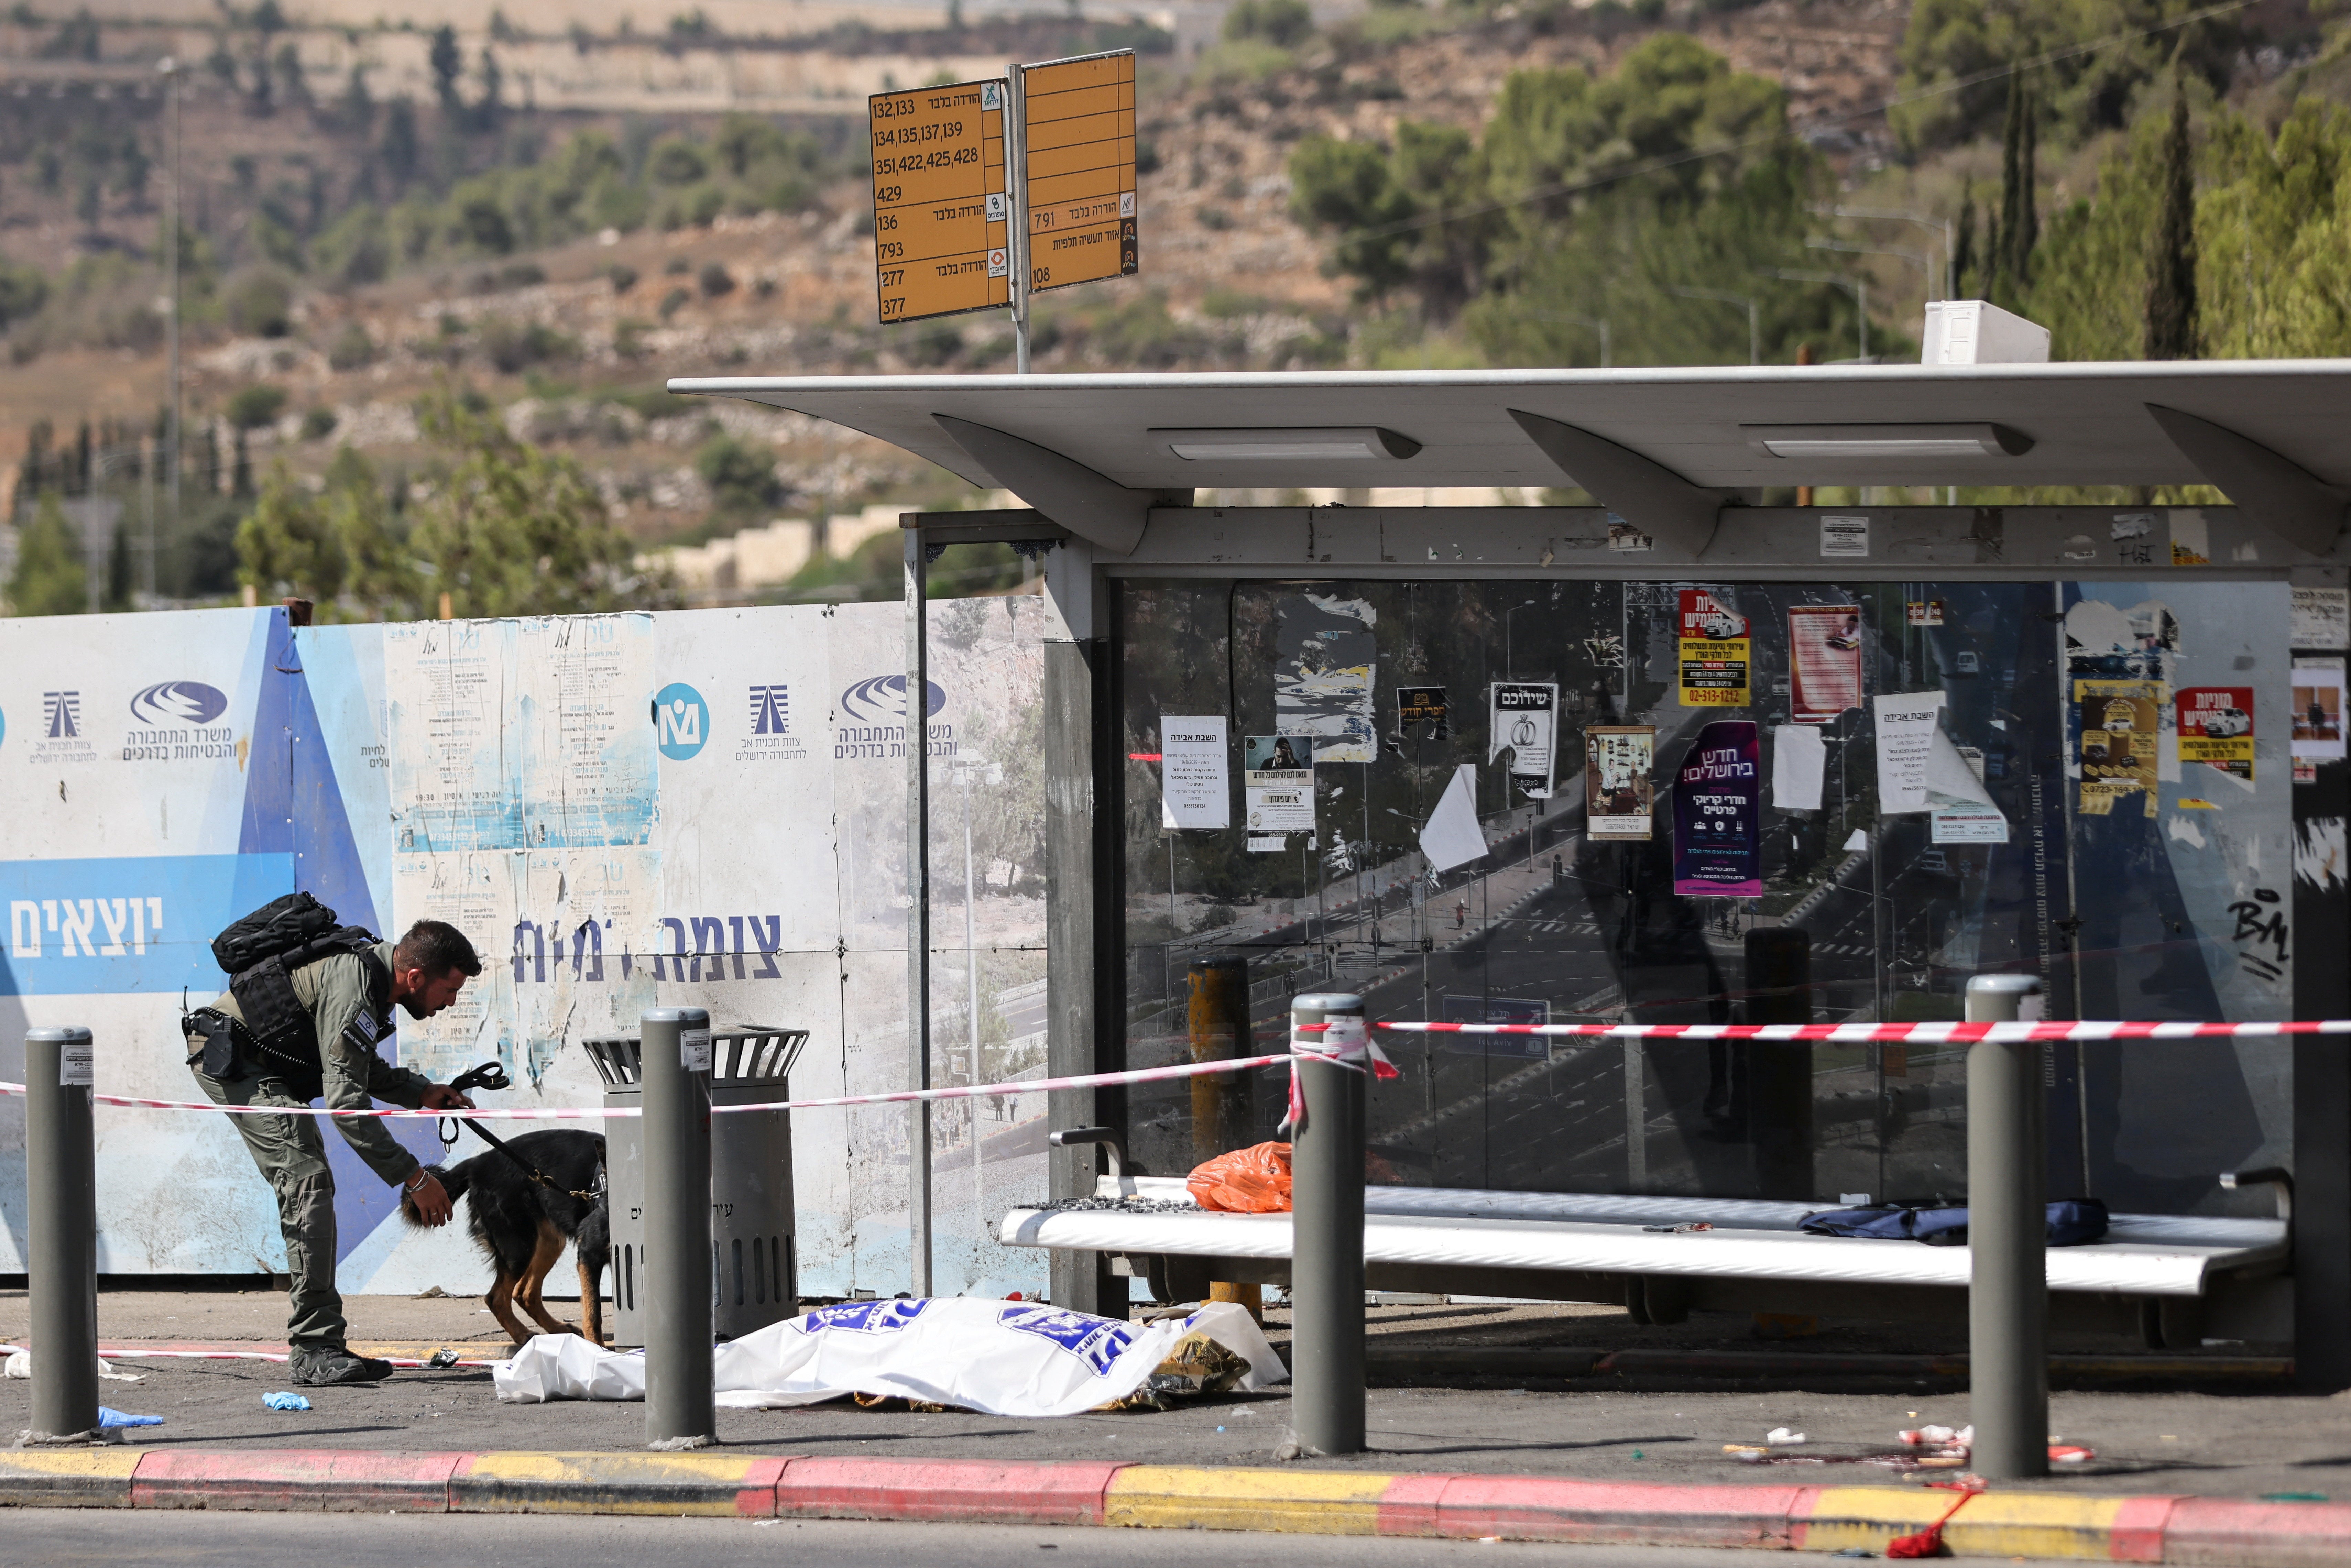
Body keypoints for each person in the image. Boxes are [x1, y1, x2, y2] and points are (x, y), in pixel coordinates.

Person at [185, 919, 485, 1385]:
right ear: (415, 978)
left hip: (263, 1060)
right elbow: (346, 1102)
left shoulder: (373, 980)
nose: (451, 1003)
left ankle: (324, 1342)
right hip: (234, 1059)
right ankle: (313, 1348)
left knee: (310, 1172)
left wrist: (422, 1092)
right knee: (306, 1175)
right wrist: (416, 1177)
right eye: (450, 990)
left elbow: (355, 1063)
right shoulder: (356, 982)